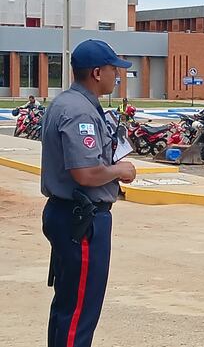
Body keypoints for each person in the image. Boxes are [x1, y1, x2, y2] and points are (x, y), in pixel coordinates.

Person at [40, 39, 137, 347]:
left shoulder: (65, 102)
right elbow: (85, 173)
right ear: (97, 72)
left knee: (67, 307)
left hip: (68, 214)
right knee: (79, 312)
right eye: (113, 69)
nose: (117, 76)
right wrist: (120, 171)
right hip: (81, 221)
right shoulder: (79, 112)